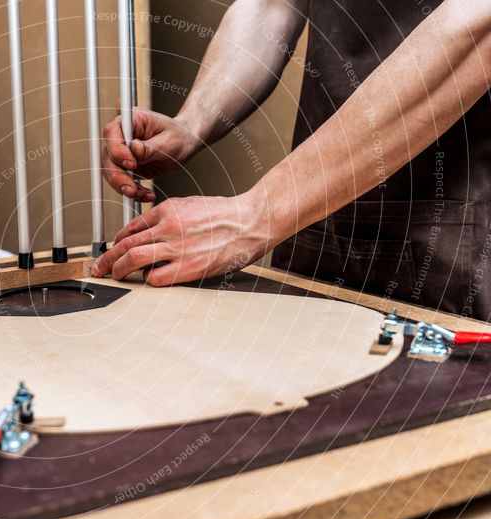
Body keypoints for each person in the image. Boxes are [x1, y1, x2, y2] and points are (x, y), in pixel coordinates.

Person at [90, 0, 491, 319]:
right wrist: (192, 122)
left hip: (455, 243)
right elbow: (272, 6)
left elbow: (477, 28)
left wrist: (255, 214)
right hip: (312, 225)